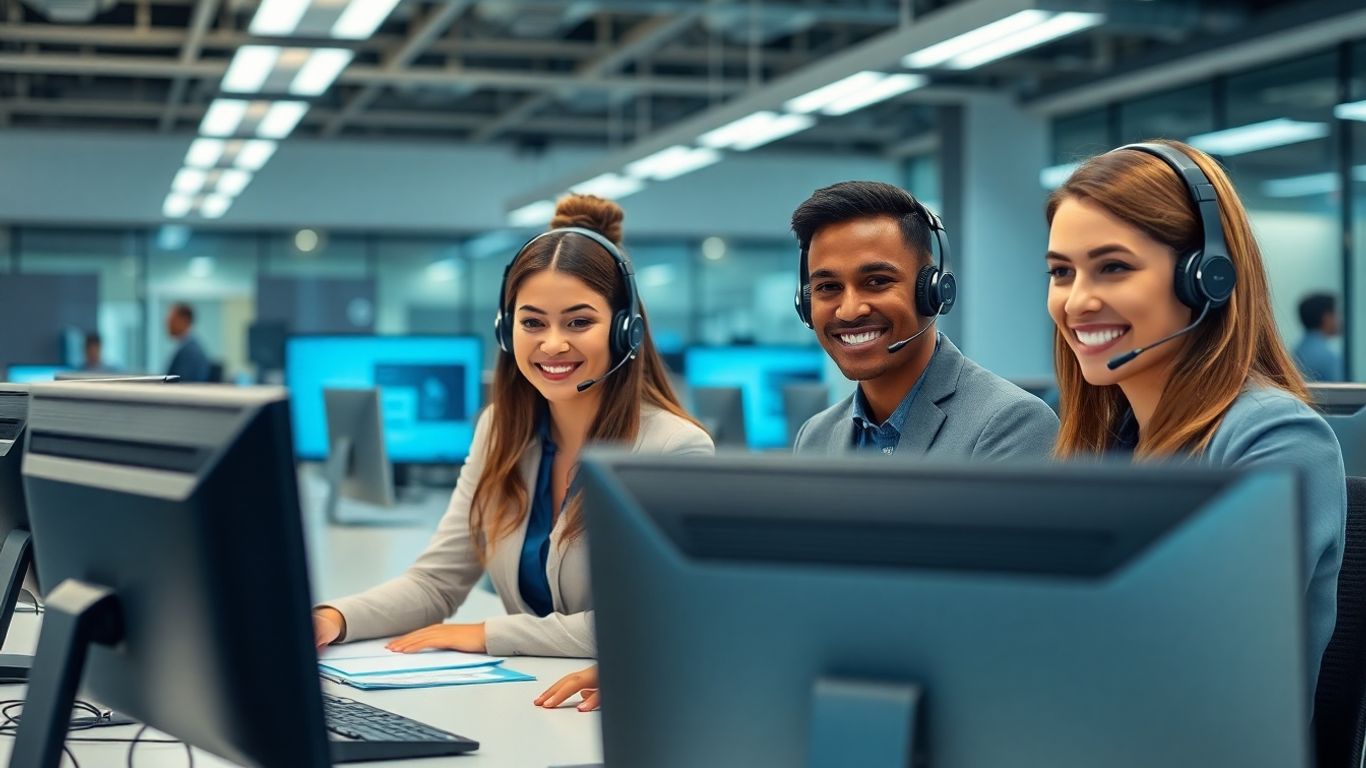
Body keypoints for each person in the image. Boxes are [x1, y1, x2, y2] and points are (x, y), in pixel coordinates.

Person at [313, 194, 713, 659]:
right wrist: (334, 618)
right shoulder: (500, 431)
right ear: (507, 331)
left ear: (626, 331)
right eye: (533, 323)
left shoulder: (674, 448)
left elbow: (660, 616)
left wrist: (490, 634)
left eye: (579, 322)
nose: (553, 344)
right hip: (527, 690)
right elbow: (435, 582)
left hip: (610, 696)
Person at [1045, 139, 1345, 687]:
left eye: (1113, 267)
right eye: (1061, 272)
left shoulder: (1277, 439)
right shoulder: (1105, 441)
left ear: (1206, 276)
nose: (1076, 301)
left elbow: (1201, 662)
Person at [789, 181, 1057, 459]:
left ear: (933, 290)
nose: (849, 311)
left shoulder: (1012, 425)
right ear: (805, 303)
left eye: (877, 281)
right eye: (828, 287)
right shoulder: (814, 437)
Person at [1294, 292, 1344, 382]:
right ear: (1326, 318)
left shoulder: (1295, 352)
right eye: (1336, 314)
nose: (1340, 319)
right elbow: (1340, 389)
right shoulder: (1328, 357)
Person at [165, 302, 212, 382]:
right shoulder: (188, 346)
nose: (168, 325)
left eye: (171, 320)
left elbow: (181, 383)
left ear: (184, 321)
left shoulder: (190, 352)